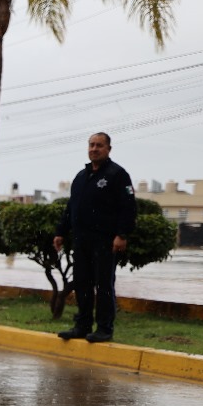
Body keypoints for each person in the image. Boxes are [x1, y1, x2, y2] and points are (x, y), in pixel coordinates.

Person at [54, 132, 136, 343]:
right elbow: (71, 207)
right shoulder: (81, 176)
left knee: (104, 285)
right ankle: (82, 326)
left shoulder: (118, 174)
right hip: (82, 241)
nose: (94, 149)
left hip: (105, 241)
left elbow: (128, 207)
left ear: (108, 149)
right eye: (91, 145)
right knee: (82, 283)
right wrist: (61, 232)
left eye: (99, 145)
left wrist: (122, 234)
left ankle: (104, 329)